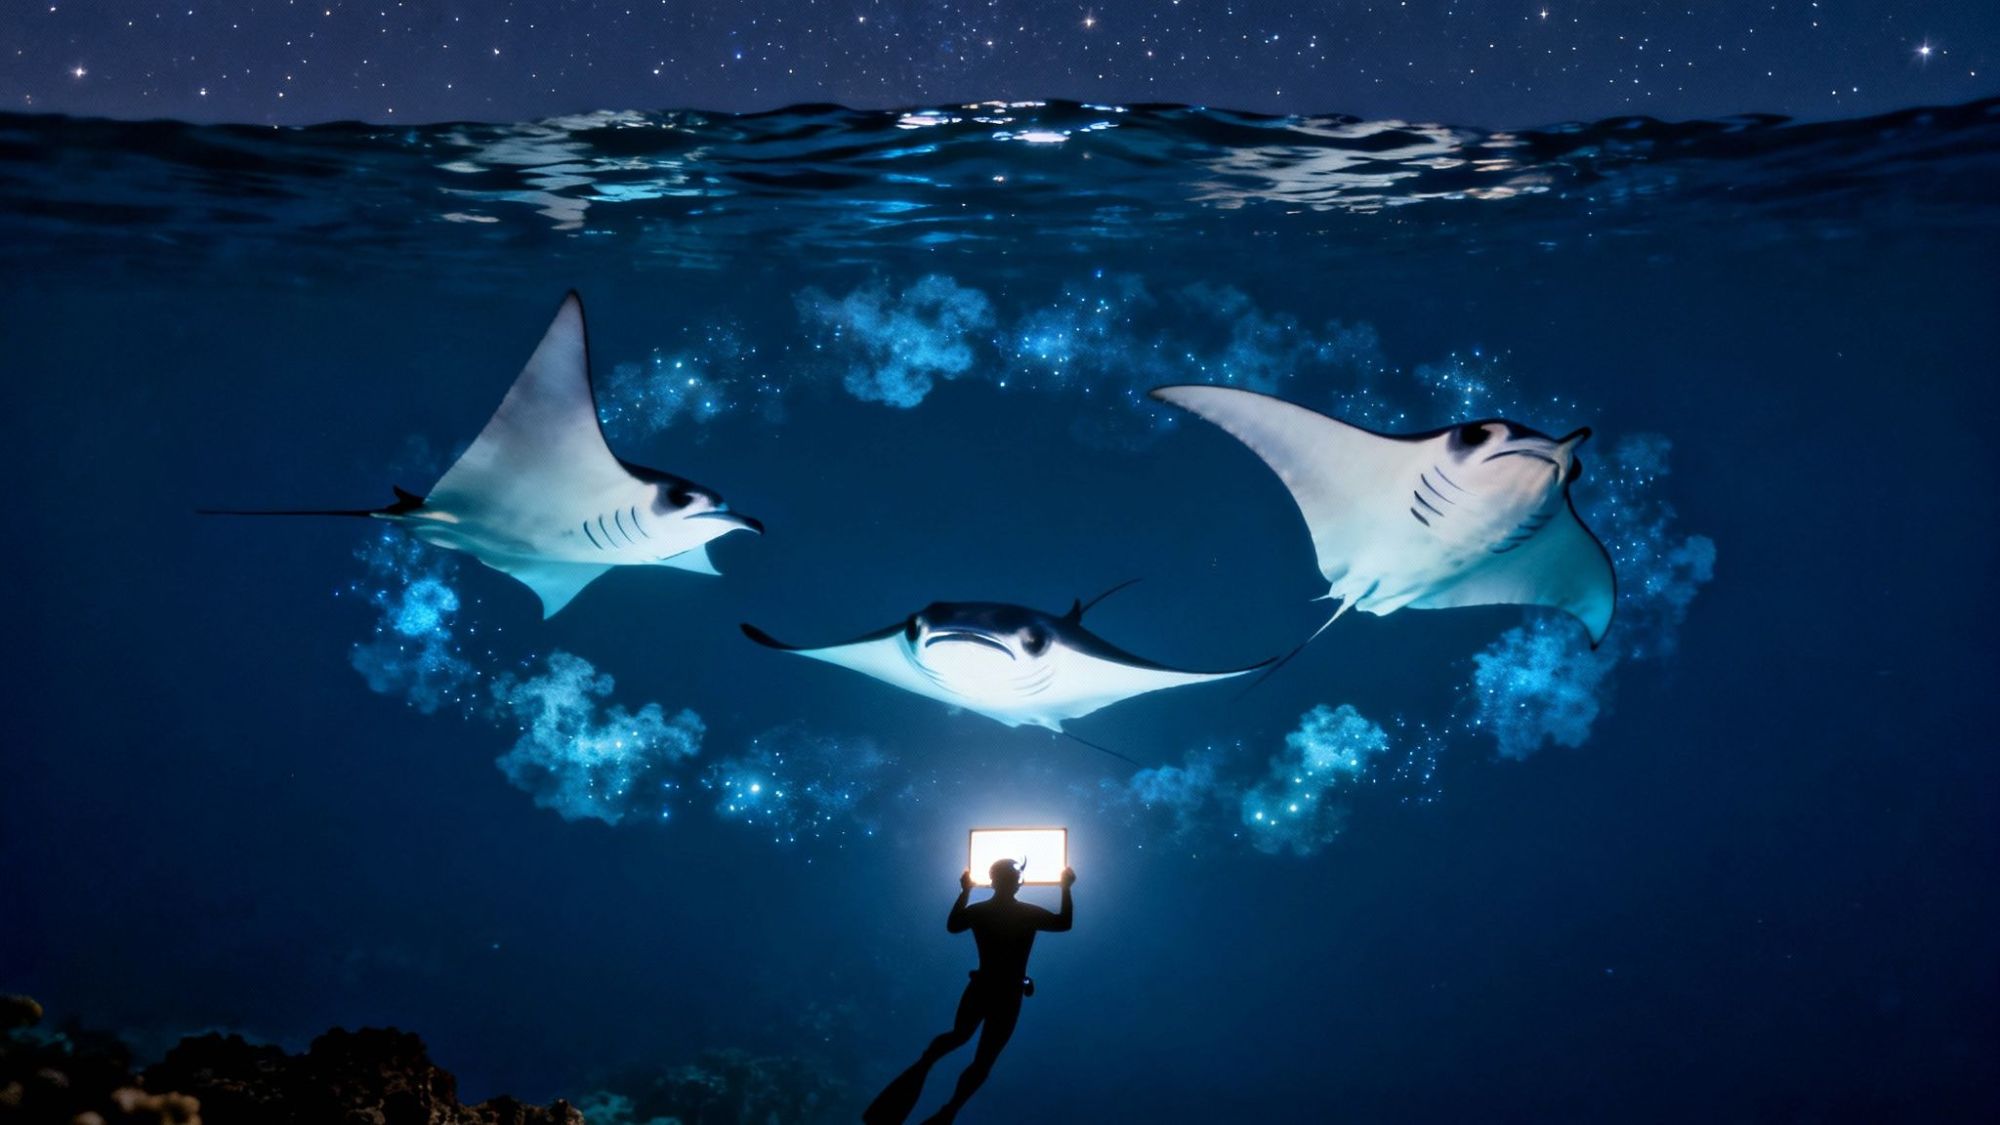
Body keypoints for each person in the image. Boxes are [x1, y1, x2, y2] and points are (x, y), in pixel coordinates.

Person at [863, 859, 1076, 1125]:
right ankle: (947, 1111)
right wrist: (1066, 888)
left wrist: (965, 891)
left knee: (958, 1037)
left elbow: (953, 925)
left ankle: (921, 1075)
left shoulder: (980, 911)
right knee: (984, 1059)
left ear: (992, 880)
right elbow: (1063, 923)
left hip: (981, 986)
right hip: (1008, 993)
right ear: (1017, 883)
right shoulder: (1027, 913)